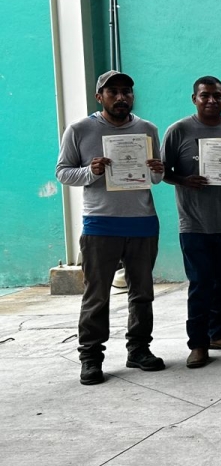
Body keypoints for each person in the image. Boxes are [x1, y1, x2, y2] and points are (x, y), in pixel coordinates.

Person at [55, 70, 166, 385]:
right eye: (113, 91)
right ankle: (91, 358)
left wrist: (158, 170)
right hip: (100, 224)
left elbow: (155, 176)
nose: (121, 97)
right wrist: (90, 171)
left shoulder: (147, 129)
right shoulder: (79, 130)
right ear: (99, 96)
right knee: (97, 295)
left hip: (143, 222)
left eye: (126, 92)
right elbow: (63, 172)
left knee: (142, 293)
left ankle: (139, 350)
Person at [163, 76, 221, 369]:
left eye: (217, 95)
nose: (211, 100)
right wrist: (183, 180)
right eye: (205, 96)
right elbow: (163, 172)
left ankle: (220, 334)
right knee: (201, 283)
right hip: (194, 223)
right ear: (195, 99)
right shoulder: (178, 131)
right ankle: (198, 344)